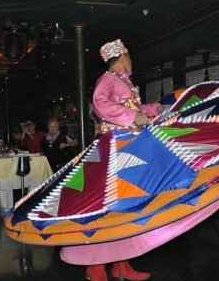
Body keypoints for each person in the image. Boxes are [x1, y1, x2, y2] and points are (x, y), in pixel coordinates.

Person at [64, 39, 159, 281]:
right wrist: (132, 116)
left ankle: (121, 264)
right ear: (122, 56)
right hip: (113, 149)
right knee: (107, 206)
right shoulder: (107, 79)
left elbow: (132, 108)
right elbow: (99, 102)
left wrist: (152, 109)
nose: (131, 60)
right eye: (129, 55)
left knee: (127, 206)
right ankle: (96, 266)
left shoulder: (124, 82)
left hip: (129, 148)